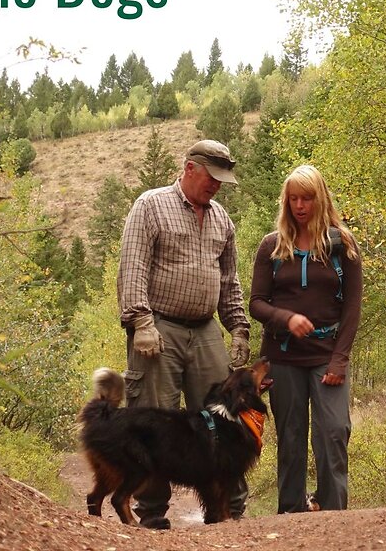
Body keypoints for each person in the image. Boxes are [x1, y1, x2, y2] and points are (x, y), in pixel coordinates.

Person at [116, 139, 251, 529]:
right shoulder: (150, 205)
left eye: (223, 180)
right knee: (154, 420)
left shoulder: (223, 219)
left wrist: (238, 327)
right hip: (159, 326)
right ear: (190, 168)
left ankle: (229, 510)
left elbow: (229, 281)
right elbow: (132, 267)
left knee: (227, 420)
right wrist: (140, 321)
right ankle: (153, 513)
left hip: (206, 327)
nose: (217, 186)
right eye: (212, 177)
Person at [249, 164, 362, 513]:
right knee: (292, 438)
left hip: (327, 356)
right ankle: (290, 512)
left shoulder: (342, 245)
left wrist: (339, 359)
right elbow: (256, 304)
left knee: (333, 432)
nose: (299, 206)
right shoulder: (271, 245)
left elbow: (352, 307)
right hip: (282, 359)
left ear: (320, 199)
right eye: (293, 198)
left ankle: (332, 511)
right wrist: (287, 318)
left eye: (307, 198)